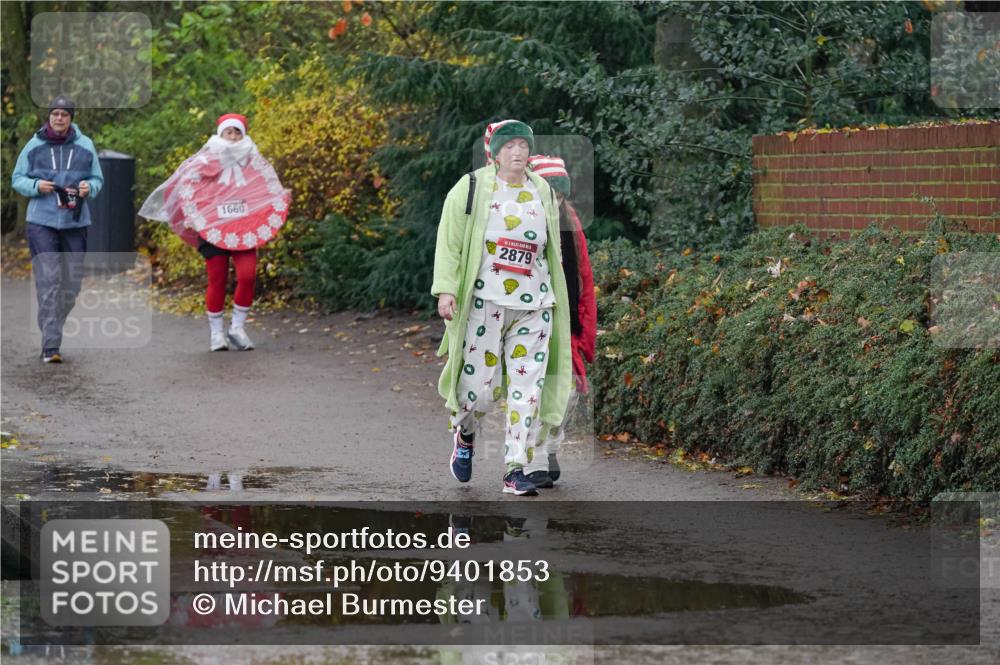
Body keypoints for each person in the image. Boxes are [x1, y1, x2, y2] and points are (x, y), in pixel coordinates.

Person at [432, 119, 573, 496]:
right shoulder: (472, 187)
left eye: (524, 146)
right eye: (509, 146)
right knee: (478, 390)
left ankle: (515, 468)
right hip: (485, 301)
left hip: (536, 303)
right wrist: (446, 290)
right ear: (493, 152)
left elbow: (552, 247)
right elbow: (450, 242)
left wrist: (560, 298)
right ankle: (465, 433)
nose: (518, 152)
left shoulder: (541, 188)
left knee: (528, 389)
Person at [139, 114, 290, 351]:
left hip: (243, 229)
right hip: (212, 230)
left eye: (237, 133)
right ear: (220, 135)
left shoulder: (254, 163)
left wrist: (277, 202)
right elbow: (188, 190)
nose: (232, 137)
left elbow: (265, 190)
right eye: (228, 132)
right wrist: (190, 215)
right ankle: (216, 333)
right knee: (217, 279)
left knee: (248, 275)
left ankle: (238, 328)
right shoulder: (204, 162)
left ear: (244, 135)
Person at [11, 95, 104, 363]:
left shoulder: (85, 145)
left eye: (64, 114)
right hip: (42, 221)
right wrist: (36, 186)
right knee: (49, 280)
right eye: (55, 114)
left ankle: (53, 322)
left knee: (71, 285)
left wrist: (90, 187)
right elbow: (17, 178)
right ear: (49, 117)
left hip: (75, 222)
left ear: (71, 118)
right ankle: (50, 345)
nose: (59, 118)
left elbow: (96, 178)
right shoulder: (34, 145)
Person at [523, 155, 597, 489]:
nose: (555, 201)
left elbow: (582, 276)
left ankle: (551, 444)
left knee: (566, 392)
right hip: (530, 316)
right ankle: (535, 456)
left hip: (563, 319)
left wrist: (584, 330)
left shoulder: (570, 222)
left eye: (560, 194)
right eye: (549, 193)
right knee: (533, 389)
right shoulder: (522, 223)